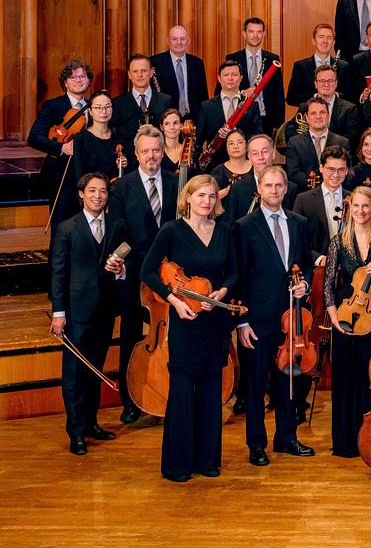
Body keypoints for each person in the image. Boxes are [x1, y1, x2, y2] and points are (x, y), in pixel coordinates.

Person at [141, 174, 239, 482]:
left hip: (214, 321)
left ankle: (207, 461)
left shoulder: (225, 230)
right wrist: (174, 301)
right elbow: (148, 271)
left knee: (211, 392)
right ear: (188, 198)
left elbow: (234, 273)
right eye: (201, 196)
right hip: (185, 321)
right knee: (182, 392)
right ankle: (177, 465)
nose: (207, 202)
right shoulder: (171, 230)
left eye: (211, 196)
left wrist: (221, 292)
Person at [233, 166, 315, 467]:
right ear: (260, 188)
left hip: (290, 320)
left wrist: (304, 283)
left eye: (279, 185)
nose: (274, 191)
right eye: (268, 185)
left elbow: (304, 263)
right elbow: (238, 276)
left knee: (288, 382)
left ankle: (286, 437)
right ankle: (256, 444)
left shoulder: (299, 222)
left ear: (285, 189)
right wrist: (241, 321)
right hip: (256, 320)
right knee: (255, 385)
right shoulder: (243, 226)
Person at [50, 173, 126, 455]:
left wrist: (121, 271)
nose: (98, 196)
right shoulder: (67, 227)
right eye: (92, 191)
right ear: (81, 194)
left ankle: (92, 422)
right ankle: (76, 430)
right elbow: (58, 273)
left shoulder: (118, 226)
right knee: (73, 373)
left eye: (103, 191)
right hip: (75, 311)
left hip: (105, 308)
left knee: (96, 368)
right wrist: (58, 312)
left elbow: (121, 264)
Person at [108, 125, 178, 423]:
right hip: (135, 273)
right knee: (131, 335)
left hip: (172, 274)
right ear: (136, 154)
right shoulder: (121, 187)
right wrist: (124, 260)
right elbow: (119, 234)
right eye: (146, 150)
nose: (152, 155)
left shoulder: (177, 183)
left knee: (172, 336)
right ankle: (130, 398)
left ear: (163, 151)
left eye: (157, 150)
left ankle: (170, 393)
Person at [321, 186, 371, 457]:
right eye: (356, 206)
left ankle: (370, 438)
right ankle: (346, 442)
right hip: (346, 318)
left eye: (365, 206)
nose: (360, 211)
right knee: (346, 380)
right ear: (349, 208)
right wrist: (334, 317)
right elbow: (328, 284)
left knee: (370, 379)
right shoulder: (339, 241)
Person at [28, 60, 93, 234]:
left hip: (88, 173)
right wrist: (61, 148)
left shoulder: (95, 107)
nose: (78, 80)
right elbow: (34, 137)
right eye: (73, 77)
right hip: (62, 173)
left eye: (82, 76)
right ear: (65, 82)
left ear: (88, 80)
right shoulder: (53, 105)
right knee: (61, 227)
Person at [195, 61, 262, 168]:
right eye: (226, 75)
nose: (230, 78)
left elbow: (257, 135)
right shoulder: (206, 106)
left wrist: (238, 136)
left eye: (235, 75)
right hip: (215, 165)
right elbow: (198, 140)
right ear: (219, 78)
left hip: (244, 163)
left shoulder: (252, 105)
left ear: (241, 78)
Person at [225, 17, 284, 135]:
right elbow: (223, 91)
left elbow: (279, 93)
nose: (255, 35)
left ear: (264, 34)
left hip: (266, 119)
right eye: (251, 31)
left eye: (259, 32)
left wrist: (278, 123)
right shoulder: (232, 58)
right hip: (241, 116)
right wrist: (241, 93)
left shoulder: (273, 59)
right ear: (244, 34)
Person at [293, 145, 349, 259]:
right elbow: (296, 239)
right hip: (316, 269)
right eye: (331, 169)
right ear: (321, 168)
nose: (336, 175)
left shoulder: (354, 199)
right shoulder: (303, 200)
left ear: (347, 171)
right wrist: (319, 259)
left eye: (341, 170)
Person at [284, 97, 351, 190]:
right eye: (313, 113)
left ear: (328, 116)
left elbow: (346, 171)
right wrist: (318, 186)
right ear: (307, 117)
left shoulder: (342, 142)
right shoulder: (294, 143)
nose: (318, 116)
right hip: (304, 196)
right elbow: (293, 172)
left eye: (322, 112)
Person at [70, 91, 131, 186]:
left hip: (117, 191)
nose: (104, 111)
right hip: (93, 192)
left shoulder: (120, 134)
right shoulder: (81, 138)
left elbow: (132, 169)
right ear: (90, 111)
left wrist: (125, 165)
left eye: (107, 106)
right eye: (98, 107)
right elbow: (79, 173)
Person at [285, 23, 348, 108]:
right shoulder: (300, 67)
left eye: (329, 38)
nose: (325, 41)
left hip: (337, 118)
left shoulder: (343, 66)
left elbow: (349, 95)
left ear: (333, 42)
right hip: (310, 117)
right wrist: (316, 97)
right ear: (313, 41)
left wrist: (333, 95)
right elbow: (291, 98)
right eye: (321, 37)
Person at [151, 26, 208, 119]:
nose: (179, 42)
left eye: (182, 39)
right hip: (166, 118)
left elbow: (203, 95)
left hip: (194, 119)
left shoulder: (197, 63)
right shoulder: (155, 63)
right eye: (174, 39)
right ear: (168, 41)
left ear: (188, 40)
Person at [112, 53, 172, 139]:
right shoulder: (117, 103)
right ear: (129, 74)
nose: (140, 75)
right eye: (135, 71)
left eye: (143, 71)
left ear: (151, 72)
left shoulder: (165, 101)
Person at [209, 130, 252, 197]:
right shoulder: (218, 171)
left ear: (247, 146)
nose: (235, 146)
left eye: (240, 142)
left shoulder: (256, 167)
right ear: (226, 147)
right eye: (231, 143)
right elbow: (210, 196)